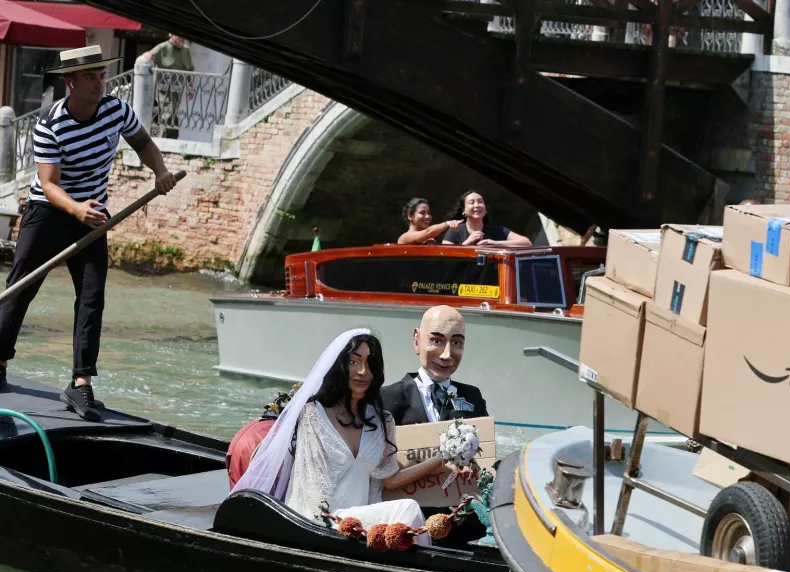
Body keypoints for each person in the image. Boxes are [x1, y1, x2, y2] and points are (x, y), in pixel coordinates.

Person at [0, 45, 177, 419]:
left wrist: (159, 170)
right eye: (91, 78)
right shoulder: (50, 123)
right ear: (71, 82)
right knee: (22, 288)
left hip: (93, 214)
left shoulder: (116, 110)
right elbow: (49, 185)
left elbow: (142, 142)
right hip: (48, 212)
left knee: (92, 296)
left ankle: (81, 382)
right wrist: (76, 208)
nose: (100, 83)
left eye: (101, 76)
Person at [232, 328, 453, 543]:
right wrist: (341, 524)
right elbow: (312, 494)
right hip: (319, 523)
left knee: (406, 514)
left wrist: (441, 458)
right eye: (353, 362)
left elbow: (391, 479)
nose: (363, 371)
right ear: (339, 367)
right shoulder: (313, 416)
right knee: (407, 508)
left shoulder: (383, 421)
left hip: (363, 524)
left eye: (369, 364)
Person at [382, 305, 488, 426]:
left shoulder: (472, 396)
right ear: (417, 340)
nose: (446, 355)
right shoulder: (389, 397)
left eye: (456, 342)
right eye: (436, 341)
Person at [142, 34, 194, 139]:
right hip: (163, 88)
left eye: (182, 37)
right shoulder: (163, 47)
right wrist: (147, 55)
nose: (181, 39)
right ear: (171, 35)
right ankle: (166, 137)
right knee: (168, 110)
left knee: (172, 111)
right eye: (178, 36)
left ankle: (170, 136)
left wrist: (191, 88)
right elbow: (149, 55)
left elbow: (190, 71)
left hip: (177, 88)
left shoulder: (185, 51)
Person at [441, 191, 533, 248]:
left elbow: (527, 243)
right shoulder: (454, 231)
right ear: (463, 210)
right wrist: (467, 243)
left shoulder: (498, 231)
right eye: (472, 203)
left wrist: (495, 243)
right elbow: (445, 257)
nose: (477, 205)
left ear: (485, 210)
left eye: (480, 202)